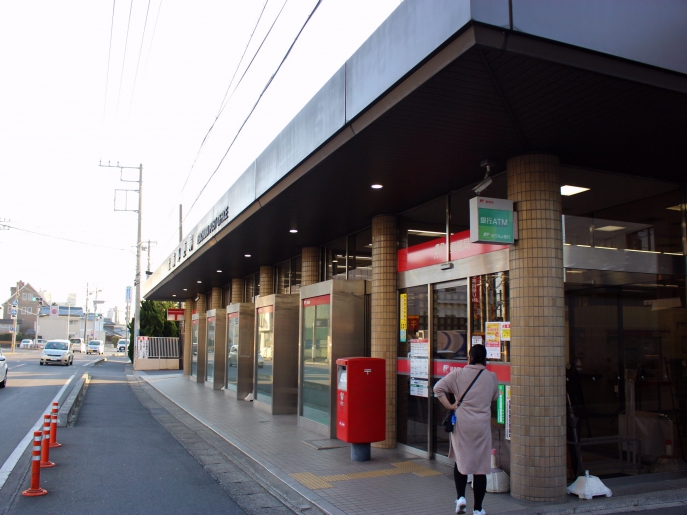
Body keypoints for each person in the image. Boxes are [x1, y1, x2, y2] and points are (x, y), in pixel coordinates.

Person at [434, 344, 498, 515]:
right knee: (480, 468)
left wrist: (451, 405)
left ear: (469, 358)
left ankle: (461, 497)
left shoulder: (458, 374)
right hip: (481, 426)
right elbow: (494, 396)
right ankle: (478, 509)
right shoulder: (491, 377)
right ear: (485, 359)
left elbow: (438, 388)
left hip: (462, 424)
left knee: (460, 461)